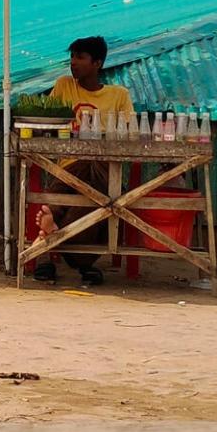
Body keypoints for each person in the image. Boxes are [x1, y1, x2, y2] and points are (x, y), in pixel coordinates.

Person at [36, 36, 135, 287]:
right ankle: (81, 261)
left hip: (104, 172)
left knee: (96, 169)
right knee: (100, 198)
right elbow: (48, 122)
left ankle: (55, 222)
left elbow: (130, 134)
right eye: (72, 57)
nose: (73, 63)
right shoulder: (64, 85)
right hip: (70, 171)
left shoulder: (118, 95)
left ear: (97, 63)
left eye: (80, 57)